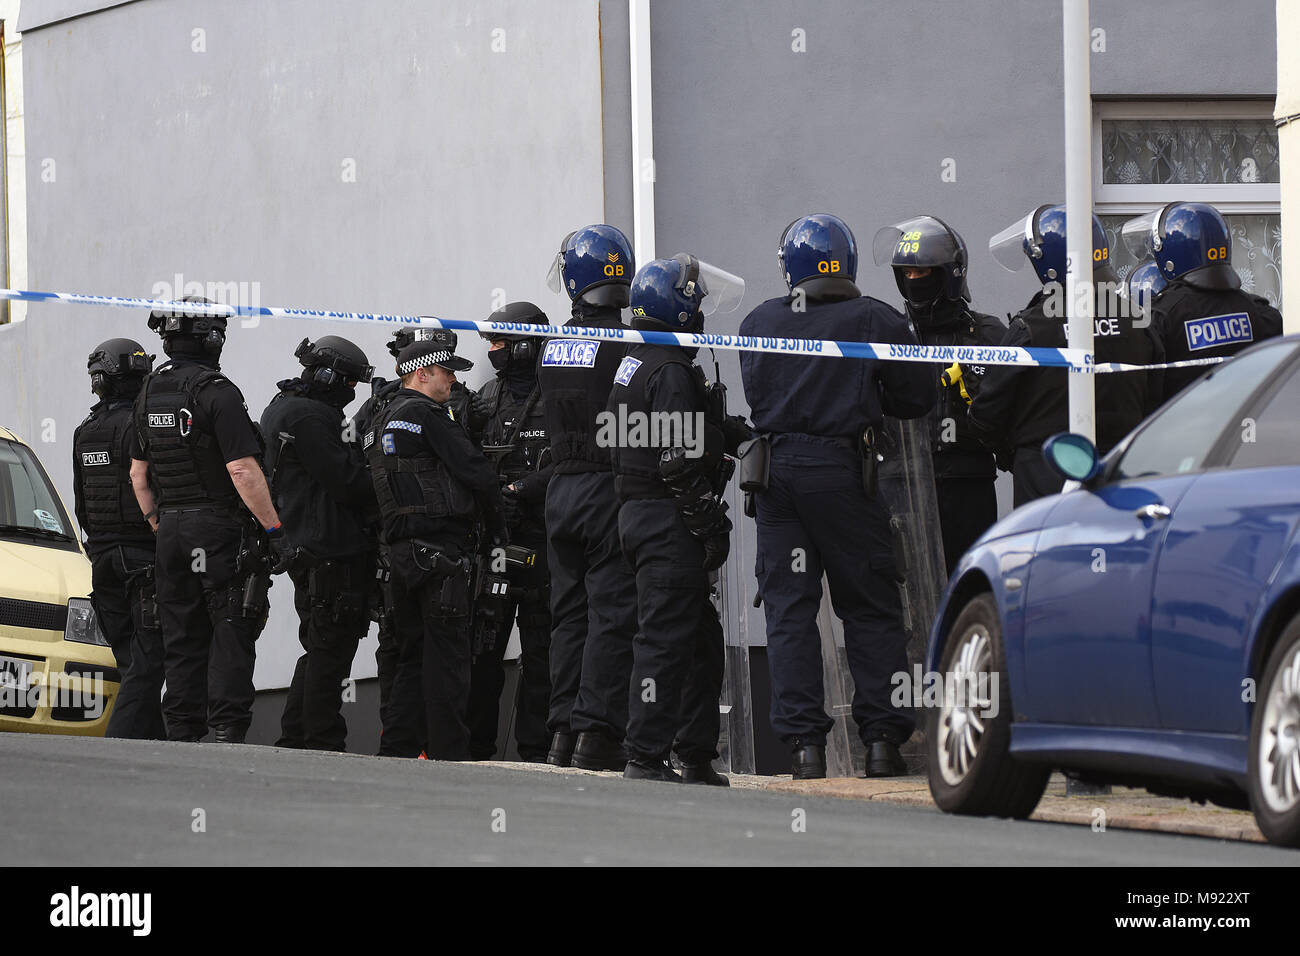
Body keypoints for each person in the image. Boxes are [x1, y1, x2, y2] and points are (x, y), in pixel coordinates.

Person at [739, 214, 935, 779]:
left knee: (788, 612)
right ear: (846, 263)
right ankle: (881, 743)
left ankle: (805, 749)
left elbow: (759, 393)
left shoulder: (758, 321)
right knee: (870, 605)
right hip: (841, 472)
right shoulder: (876, 317)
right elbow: (916, 397)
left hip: (775, 479)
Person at [129, 296, 294, 743]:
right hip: (218, 529)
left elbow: (138, 474)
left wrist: (159, 525)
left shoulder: (147, 392)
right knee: (231, 625)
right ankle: (225, 731)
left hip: (171, 530)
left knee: (180, 633)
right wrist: (275, 530)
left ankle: (181, 731)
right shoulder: (218, 391)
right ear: (212, 338)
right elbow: (242, 470)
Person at [609, 255, 746, 784]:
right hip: (667, 519)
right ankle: (644, 755)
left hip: (639, 513)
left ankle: (694, 752)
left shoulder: (635, 359)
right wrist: (708, 522)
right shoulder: (668, 369)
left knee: (699, 644)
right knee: (665, 642)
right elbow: (675, 456)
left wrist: (731, 431)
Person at [368, 336, 507, 760]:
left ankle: (398, 751)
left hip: (401, 556)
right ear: (422, 372)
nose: (452, 378)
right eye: (446, 371)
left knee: (410, 659)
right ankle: (450, 757)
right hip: (442, 556)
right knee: (448, 660)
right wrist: (499, 532)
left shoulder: (380, 419)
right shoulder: (428, 414)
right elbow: (475, 471)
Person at [538, 224, 640, 771]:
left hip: (562, 492)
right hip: (607, 486)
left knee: (568, 615)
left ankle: (560, 732)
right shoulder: (630, 344)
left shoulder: (553, 346)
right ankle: (596, 736)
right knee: (611, 614)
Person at [975, 204, 1160, 505]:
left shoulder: (1031, 328)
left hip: (1046, 477)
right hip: (1123, 472)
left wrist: (1011, 453)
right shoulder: (1140, 320)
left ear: (1050, 262)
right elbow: (1158, 399)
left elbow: (988, 412)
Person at [261, 335, 377, 752]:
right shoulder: (309, 416)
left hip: (307, 546)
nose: (349, 394)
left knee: (319, 646)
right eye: (348, 384)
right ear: (328, 377)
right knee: (330, 649)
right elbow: (348, 482)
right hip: (328, 550)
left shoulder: (283, 407)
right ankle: (320, 739)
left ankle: (296, 736)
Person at [873, 216, 1006, 573]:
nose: (914, 281)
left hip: (966, 484)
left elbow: (1013, 412)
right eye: (908, 274)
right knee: (909, 594)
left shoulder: (985, 333)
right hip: (902, 483)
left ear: (950, 273)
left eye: (924, 273)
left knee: (968, 584)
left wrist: (978, 404)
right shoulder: (890, 332)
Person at [466, 303, 554, 762]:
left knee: (543, 650)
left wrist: (524, 487)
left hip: (543, 539)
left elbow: (573, 460)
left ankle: (538, 751)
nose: (494, 352)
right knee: (484, 648)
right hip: (496, 541)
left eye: (500, 343)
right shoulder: (485, 398)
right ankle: (476, 746)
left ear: (524, 344)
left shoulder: (559, 395)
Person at [73, 338, 166, 740]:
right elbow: (155, 487)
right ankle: (118, 747)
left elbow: (81, 506)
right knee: (149, 662)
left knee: (132, 662)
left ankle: (154, 752)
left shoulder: (84, 431)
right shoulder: (141, 425)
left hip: (103, 561)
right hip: (142, 558)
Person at [1121, 201, 1283, 404]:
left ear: (1172, 257)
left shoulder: (1159, 318)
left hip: (1183, 431)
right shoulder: (1263, 314)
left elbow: (1143, 396)